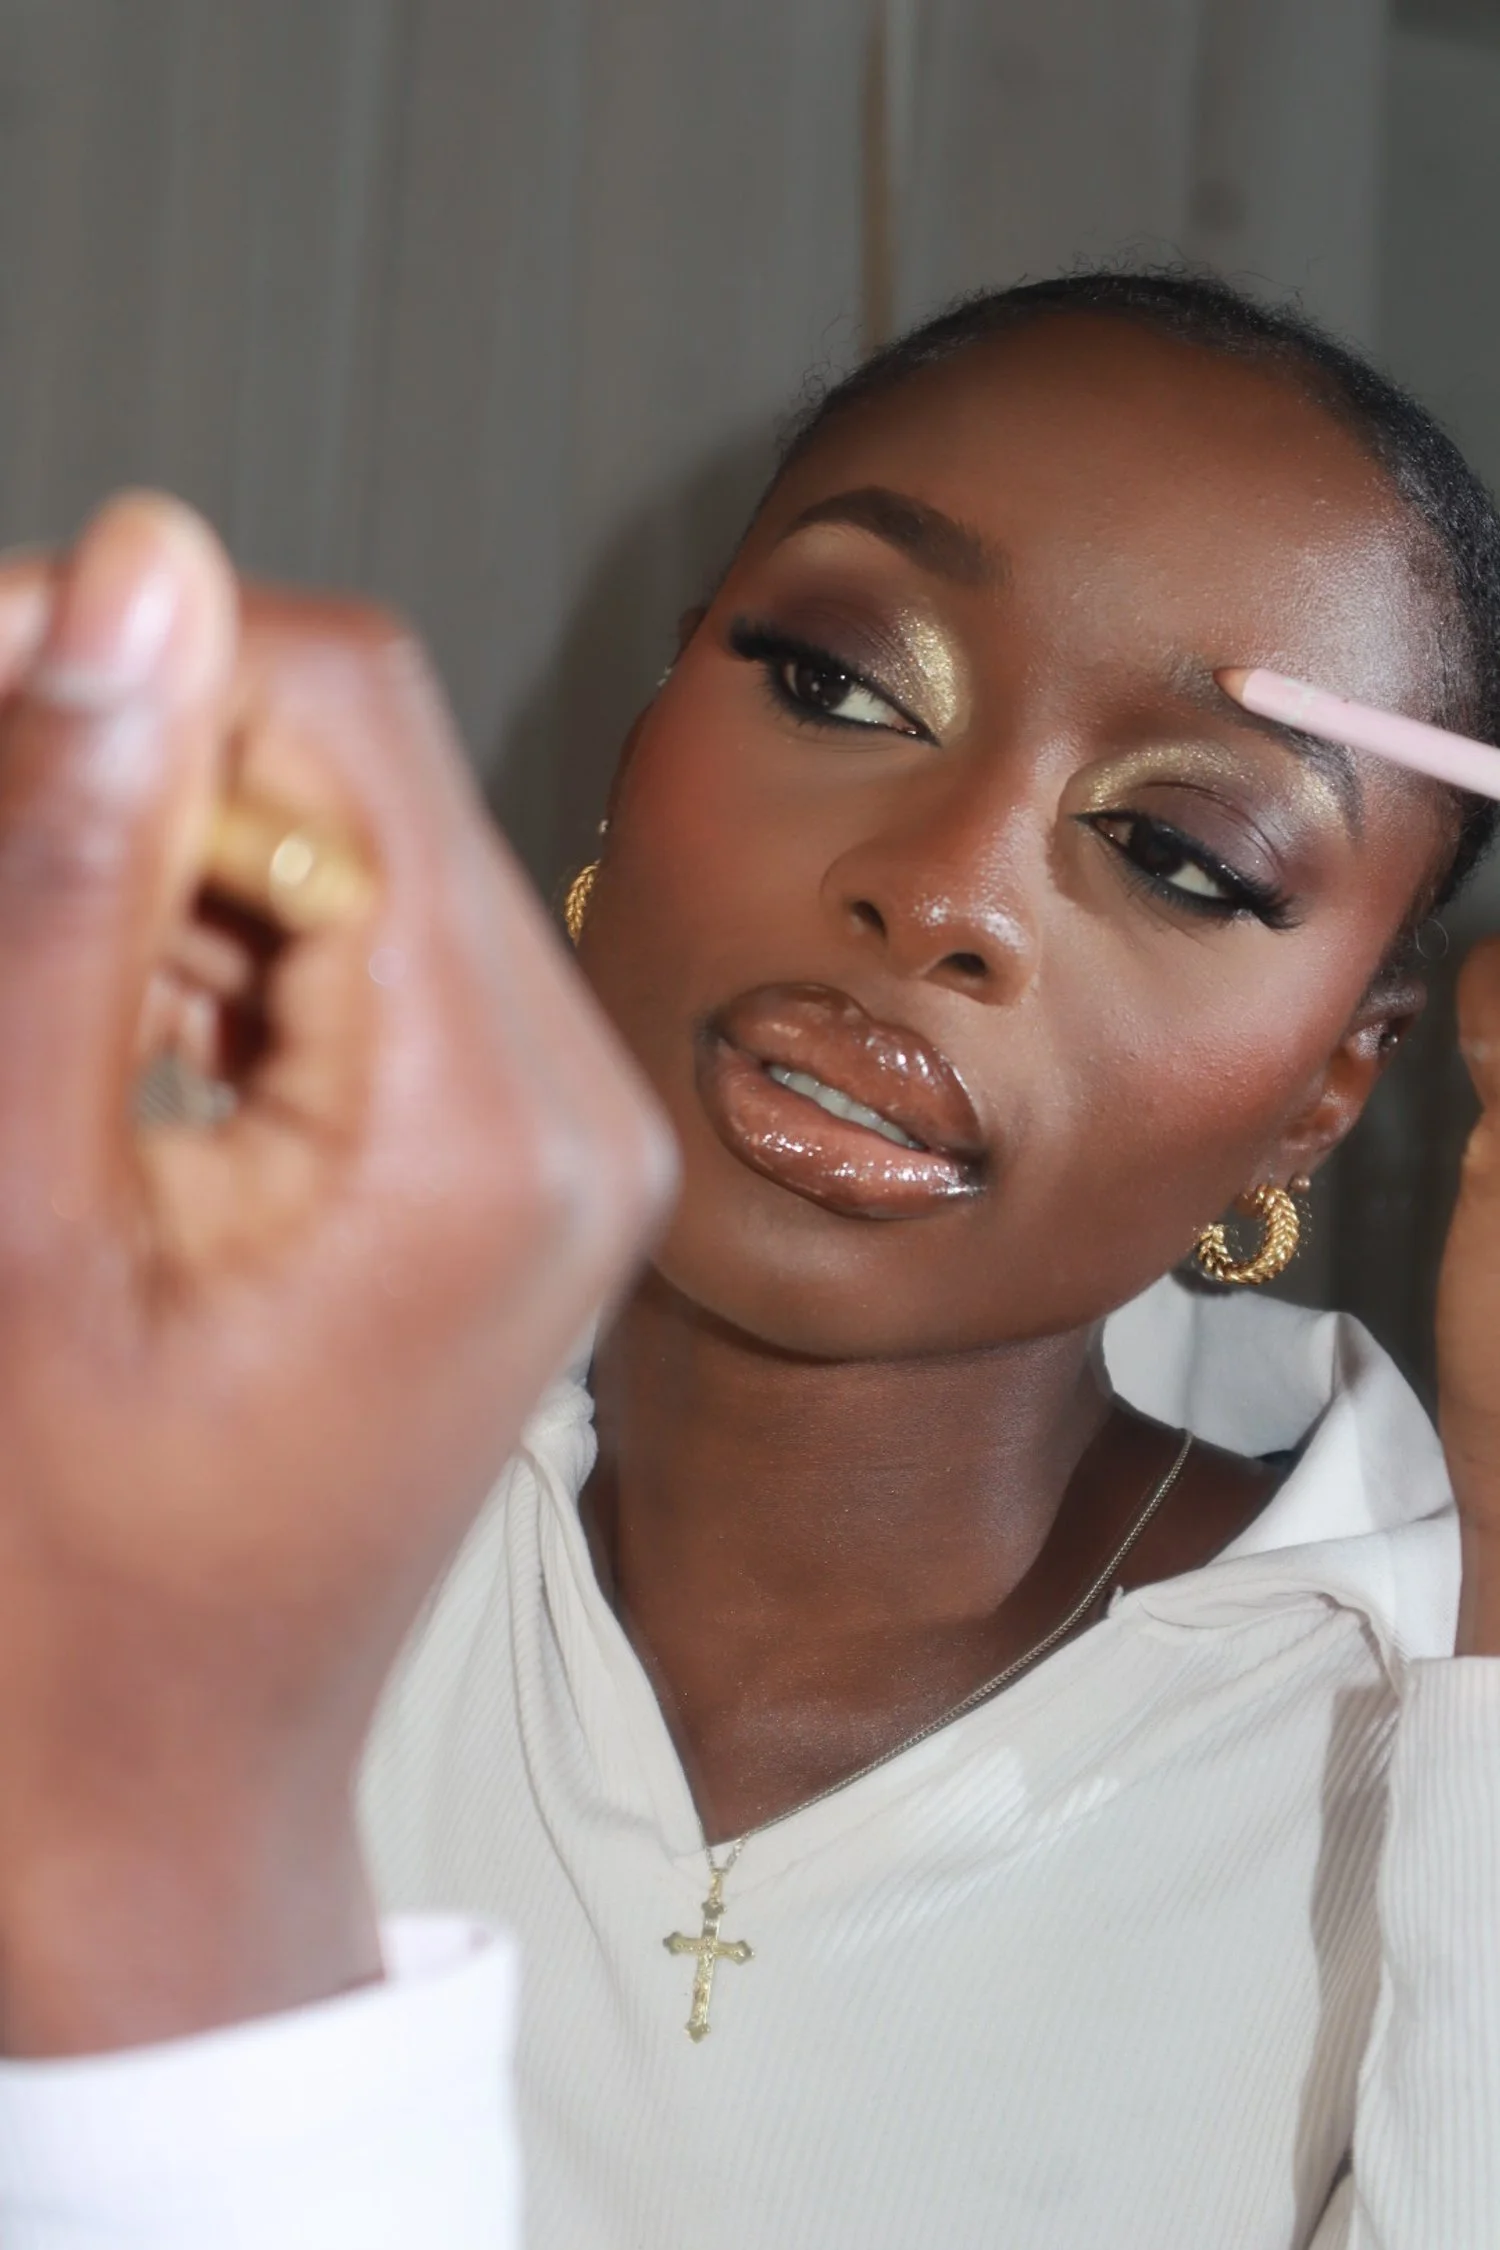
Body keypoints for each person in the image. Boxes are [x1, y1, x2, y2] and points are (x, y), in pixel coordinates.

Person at [0, 268, 1496, 2248]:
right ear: (641, 746)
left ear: (1323, 1094)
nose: (943, 885)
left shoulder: (1413, 1705)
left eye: (1182, 855)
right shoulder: (144, 1469)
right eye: (838, 681)